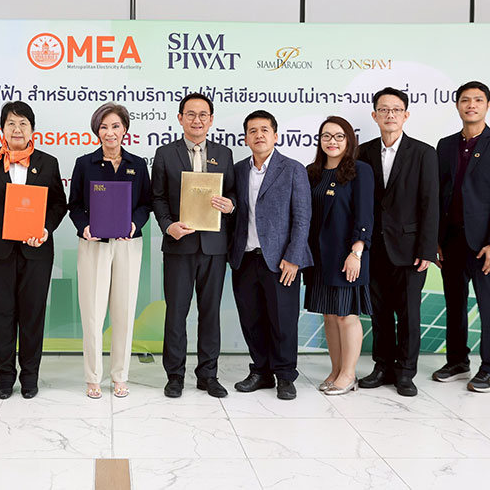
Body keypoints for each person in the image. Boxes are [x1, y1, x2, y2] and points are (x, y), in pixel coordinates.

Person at [0, 101, 67, 400]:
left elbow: (58, 204)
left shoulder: (48, 163)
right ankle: (4, 375)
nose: (17, 129)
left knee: (33, 316)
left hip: (36, 253)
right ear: (2, 128)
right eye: (11, 123)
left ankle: (30, 375)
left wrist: (45, 229)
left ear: (32, 129)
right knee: (1, 316)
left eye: (23, 123)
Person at [433, 81, 490, 393]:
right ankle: (457, 361)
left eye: (478, 100)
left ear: (487, 105)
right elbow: (439, 194)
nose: (471, 105)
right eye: (465, 100)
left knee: (488, 304)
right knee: (454, 303)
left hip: (485, 243)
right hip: (451, 239)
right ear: (457, 105)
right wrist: (436, 239)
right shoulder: (445, 145)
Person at [151, 92, 236, 399]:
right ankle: (175, 376)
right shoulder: (165, 153)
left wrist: (230, 206)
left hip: (214, 247)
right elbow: (158, 197)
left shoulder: (224, 154)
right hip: (179, 245)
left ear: (211, 120)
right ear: (180, 118)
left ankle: (208, 375)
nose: (197, 120)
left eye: (203, 115)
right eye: (190, 114)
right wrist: (167, 225)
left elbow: (233, 194)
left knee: (210, 313)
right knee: (176, 313)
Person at [357, 87, 439, 397]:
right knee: (379, 313)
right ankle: (382, 366)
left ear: (406, 115)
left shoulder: (423, 153)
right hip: (374, 247)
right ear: (374, 115)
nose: (389, 114)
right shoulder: (362, 152)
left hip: (410, 249)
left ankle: (405, 372)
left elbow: (430, 204)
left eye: (395, 110)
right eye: (383, 109)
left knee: (408, 314)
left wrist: (427, 248)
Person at [68, 103, 152, 399]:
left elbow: (146, 204)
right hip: (94, 245)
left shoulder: (137, 164)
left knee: (124, 312)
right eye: (104, 127)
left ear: (124, 129)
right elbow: (74, 205)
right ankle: (93, 377)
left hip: (128, 245)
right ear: (97, 131)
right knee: (92, 313)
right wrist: (84, 227)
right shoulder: (84, 163)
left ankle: (120, 376)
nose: (110, 132)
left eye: (115, 126)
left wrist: (134, 224)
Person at [228, 110, 312, 400]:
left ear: (275, 136)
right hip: (245, 258)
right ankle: (261, 372)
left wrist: (294, 256)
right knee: (251, 320)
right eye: (252, 131)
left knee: (283, 321)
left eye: (264, 130)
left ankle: (285, 376)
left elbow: (302, 217)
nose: (259, 135)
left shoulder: (293, 169)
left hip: (281, 261)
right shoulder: (238, 171)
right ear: (245, 138)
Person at [304, 116, 374, 395]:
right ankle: (335, 370)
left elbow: (365, 214)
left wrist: (356, 252)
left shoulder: (360, 171)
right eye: (326, 136)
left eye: (338, 136)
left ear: (349, 140)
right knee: (330, 316)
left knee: (346, 316)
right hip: (319, 257)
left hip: (347, 256)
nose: (332, 141)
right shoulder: (313, 172)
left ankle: (348, 374)